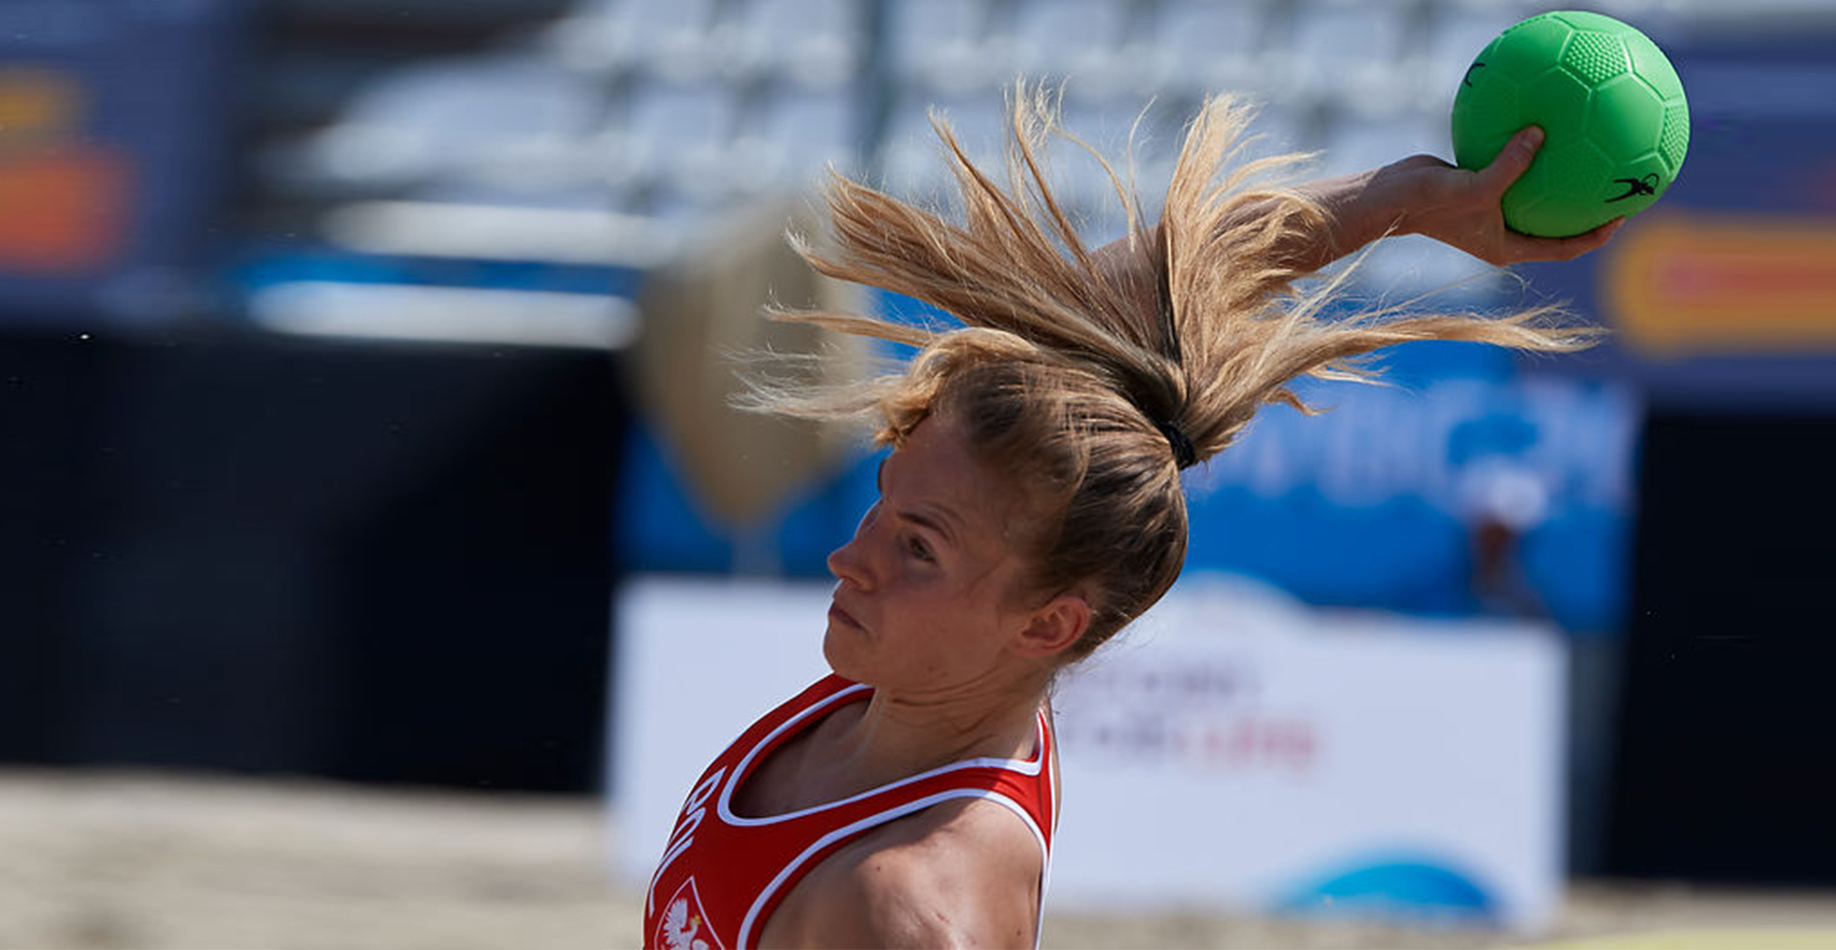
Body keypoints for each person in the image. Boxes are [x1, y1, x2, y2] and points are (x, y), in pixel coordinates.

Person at [643, 88, 1620, 950]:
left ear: (1047, 623)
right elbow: (1153, 288)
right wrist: (1393, 204)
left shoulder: (907, 902)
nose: (847, 558)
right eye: (882, 507)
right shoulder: (921, 694)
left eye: (916, 546)